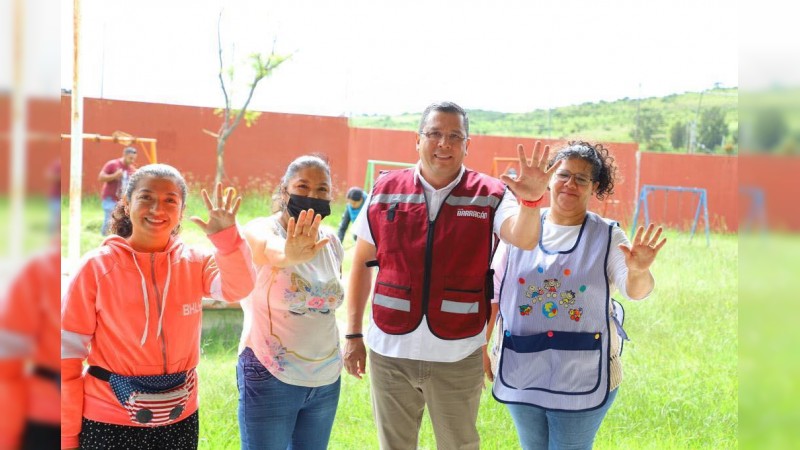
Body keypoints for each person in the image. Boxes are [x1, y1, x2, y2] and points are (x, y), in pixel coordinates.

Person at [343, 101, 562, 450]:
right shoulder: (385, 190)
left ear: (466, 145)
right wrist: (353, 333)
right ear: (417, 140)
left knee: (459, 445)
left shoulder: (491, 194)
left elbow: (523, 236)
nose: (444, 143)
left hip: (457, 353)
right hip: (390, 349)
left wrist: (532, 202)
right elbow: (360, 263)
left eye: (454, 136)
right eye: (434, 134)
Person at [486, 141, 667, 450]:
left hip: (584, 373)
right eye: (563, 175)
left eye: (581, 178)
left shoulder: (608, 235)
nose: (570, 184)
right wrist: (482, 348)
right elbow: (494, 293)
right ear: (549, 178)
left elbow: (635, 291)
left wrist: (638, 270)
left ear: (594, 186)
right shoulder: (521, 226)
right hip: (522, 366)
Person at [61, 164, 255, 450]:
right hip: (109, 420)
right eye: (146, 198)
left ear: (181, 210)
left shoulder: (196, 262)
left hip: (179, 417)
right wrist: (66, 436)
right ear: (127, 205)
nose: (157, 209)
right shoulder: (96, 268)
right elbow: (66, 357)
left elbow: (237, 288)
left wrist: (227, 242)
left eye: (170, 200)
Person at [238, 155, 345, 450]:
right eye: (303, 186)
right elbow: (266, 250)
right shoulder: (260, 229)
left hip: (325, 378)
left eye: (322, 189)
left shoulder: (332, 241)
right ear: (285, 191)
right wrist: (290, 255)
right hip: (270, 374)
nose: (312, 196)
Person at [99, 146, 138, 235]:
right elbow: (100, 177)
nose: (132, 161)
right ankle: (104, 238)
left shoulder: (131, 169)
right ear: (124, 155)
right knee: (109, 219)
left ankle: (115, 237)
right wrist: (114, 176)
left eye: (134, 159)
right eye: (130, 158)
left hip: (122, 200)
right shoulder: (112, 164)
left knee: (120, 221)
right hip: (110, 198)